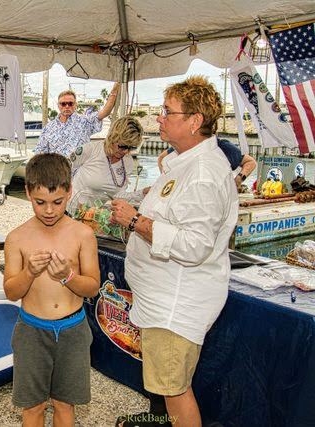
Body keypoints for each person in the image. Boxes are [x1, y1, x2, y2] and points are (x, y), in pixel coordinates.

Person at [110, 76, 238, 427]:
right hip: (163, 301)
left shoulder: (203, 173)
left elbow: (194, 245)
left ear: (195, 120)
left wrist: (135, 220)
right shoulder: (186, 163)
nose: (160, 118)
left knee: (175, 392)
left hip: (176, 306)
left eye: (168, 111)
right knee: (168, 390)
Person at [4, 153, 100, 426]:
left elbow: (92, 287)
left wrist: (67, 277)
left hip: (73, 330)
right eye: (40, 202)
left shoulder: (83, 234)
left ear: (69, 192)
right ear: (27, 192)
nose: (49, 210)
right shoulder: (16, 238)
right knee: (32, 406)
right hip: (32, 331)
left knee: (65, 404)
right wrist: (29, 272)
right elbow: (11, 292)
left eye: (57, 202)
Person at [69, 115, 145, 210]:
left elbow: (118, 196)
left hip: (97, 214)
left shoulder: (127, 161)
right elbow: (61, 168)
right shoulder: (90, 150)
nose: (126, 151)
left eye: (131, 147)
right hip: (72, 210)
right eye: (122, 146)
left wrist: (142, 193)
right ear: (113, 137)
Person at [34, 82, 121, 156]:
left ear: (75, 105)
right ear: (58, 105)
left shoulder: (85, 122)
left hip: (80, 169)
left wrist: (114, 90)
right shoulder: (48, 127)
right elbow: (40, 152)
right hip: (57, 169)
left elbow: (105, 112)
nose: (67, 106)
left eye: (70, 103)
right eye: (63, 104)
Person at [157, 138, 257, 189]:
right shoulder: (185, 146)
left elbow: (250, 162)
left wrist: (238, 180)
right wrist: (165, 180)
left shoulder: (225, 147)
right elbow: (162, 157)